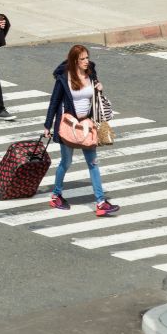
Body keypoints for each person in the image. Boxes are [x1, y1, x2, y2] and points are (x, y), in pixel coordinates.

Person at [42, 44, 120, 217]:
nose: (86, 61)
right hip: (69, 125)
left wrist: (100, 88)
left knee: (93, 163)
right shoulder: (64, 77)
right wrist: (48, 125)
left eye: (87, 58)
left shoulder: (91, 72)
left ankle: (100, 202)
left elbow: (96, 97)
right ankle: (56, 195)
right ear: (75, 61)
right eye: (82, 59)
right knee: (66, 162)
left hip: (86, 125)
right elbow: (54, 102)